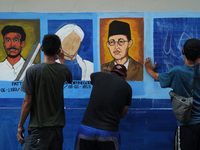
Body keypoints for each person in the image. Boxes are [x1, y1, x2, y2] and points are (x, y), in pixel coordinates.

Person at [17, 34, 73, 149]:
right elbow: (69, 78)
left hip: (39, 131)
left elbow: (27, 101)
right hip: (57, 131)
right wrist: (61, 58)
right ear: (58, 50)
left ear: (42, 48)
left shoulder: (33, 71)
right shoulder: (64, 70)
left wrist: (20, 126)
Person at [145, 38, 200, 150]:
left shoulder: (177, 72)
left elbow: (158, 77)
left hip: (186, 127)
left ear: (182, 51)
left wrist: (149, 70)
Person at [74, 64, 132, 150]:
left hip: (87, 129)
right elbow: (122, 114)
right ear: (125, 76)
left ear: (110, 72)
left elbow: (91, 75)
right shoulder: (127, 88)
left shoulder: (98, 76)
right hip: (108, 132)